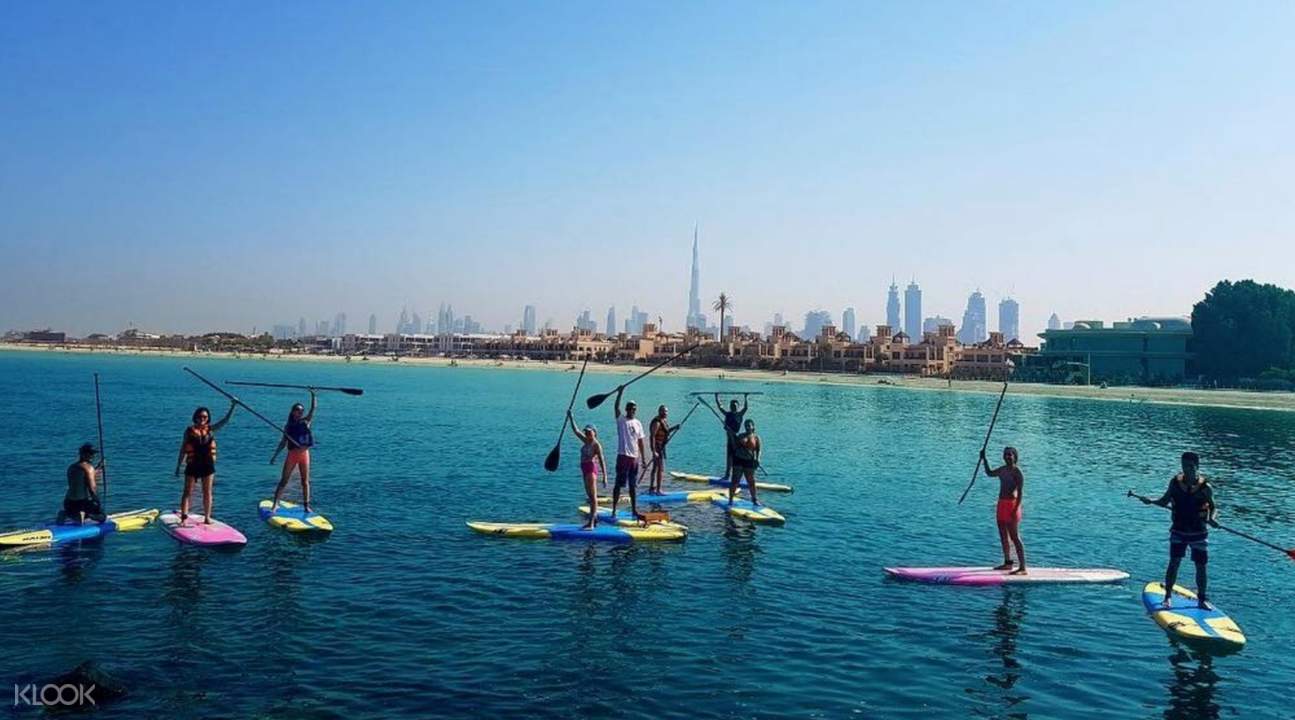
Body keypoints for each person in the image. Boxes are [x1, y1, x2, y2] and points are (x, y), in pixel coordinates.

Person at [1139, 452, 1217, 609]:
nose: (1186, 469)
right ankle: (1167, 597)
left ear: (1197, 466)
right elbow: (1164, 501)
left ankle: (1202, 599)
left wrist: (1212, 518)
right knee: (1174, 563)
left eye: (1190, 466)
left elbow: (1213, 507)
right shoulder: (1175, 483)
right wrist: (1151, 501)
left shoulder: (1205, 488)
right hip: (1179, 530)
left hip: (1198, 532)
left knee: (1201, 566)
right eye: (1184, 466)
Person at [174, 401, 236, 525]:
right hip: (193, 464)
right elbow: (183, 449)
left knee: (207, 492)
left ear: (208, 418)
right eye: (200, 416)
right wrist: (178, 466)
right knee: (187, 492)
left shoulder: (211, 430)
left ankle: (207, 518)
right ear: (195, 417)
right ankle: (183, 519)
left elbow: (225, 421)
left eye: (205, 417)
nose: (202, 419)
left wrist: (233, 406)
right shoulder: (189, 431)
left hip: (207, 465)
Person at [980, 446, 1027, 575]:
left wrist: (1016, 509)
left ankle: (1023, 568)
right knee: (1003, 535)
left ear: (1015, 457)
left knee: (1014, 537)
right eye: (1006, 454)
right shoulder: (1002, 470)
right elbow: (989, 473)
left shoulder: (1017, 472)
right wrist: (984, 459)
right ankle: (1008, 563)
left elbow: (1020, 493)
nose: (1007, 457)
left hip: (1012, 505)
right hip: (1001, 504)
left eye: (1010, 455)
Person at [269, 390, 316, 512]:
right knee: (284, 480)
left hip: (304, 454)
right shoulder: (288, 426)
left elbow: (313, 409)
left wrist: (313, 395)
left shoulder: (306, 422)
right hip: (293, 454)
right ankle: (275, 504)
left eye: (302, 411)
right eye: (298, 410)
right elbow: (283, 443)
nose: (300, 412)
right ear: (293, 412)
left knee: (305, 482)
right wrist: (275, 456)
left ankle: (306, 506)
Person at [610, 388, 647, 523]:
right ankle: (614, 510)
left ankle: (634, 510)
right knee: (619, 485)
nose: (632, 410)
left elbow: (641, 442)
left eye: (634, 409)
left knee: (632, 486)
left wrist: (643, 459)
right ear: (626, 409)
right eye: (630, 408)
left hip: (634, 458)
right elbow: (616, 407)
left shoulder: (638, 423)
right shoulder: (621, 420)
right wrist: (620, 393)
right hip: (623, 456)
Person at [568, 412, 608, 529]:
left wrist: (605, 476)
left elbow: (602, 460)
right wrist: (571, 418)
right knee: (589, 496)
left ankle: (591, 523)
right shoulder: (585, 441)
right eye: (586, 432)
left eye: (589, 432)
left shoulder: (596, 445)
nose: (587, 433)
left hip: (591, 469)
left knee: (593, 497)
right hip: (584, 468)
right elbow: (576, 431)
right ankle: (593, 520)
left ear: (594, 432)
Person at [60, 443, 105, 524]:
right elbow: (92, 489)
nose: (93, 456)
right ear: (83, 454)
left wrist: (98, 467)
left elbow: (82, 478)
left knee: (74, 508)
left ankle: (67, 514)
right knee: (102, 516)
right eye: (90, 453)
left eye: (93, 454)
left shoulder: (72, 467)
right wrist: (98, 502)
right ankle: (85, 515)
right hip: (81, 504)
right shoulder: (89, 468)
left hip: (68, 504)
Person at [728, 419, 762, 507]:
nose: (747, 427)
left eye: (749, 425)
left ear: (753, 427)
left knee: (751, 481)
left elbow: (758, 450)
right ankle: (731, 499)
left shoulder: (756, 437)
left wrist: (758, 459)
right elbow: (734, 447)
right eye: (746, 425)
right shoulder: (740, 436)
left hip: (749, 461)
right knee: (735, 481)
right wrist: (731, 435)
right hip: (738, 460)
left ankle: (754, 499)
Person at [714, 394, 749, 479]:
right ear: (730, 407)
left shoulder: (740, 414)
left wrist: (745, 398)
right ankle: (727, 475)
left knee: (738, 457)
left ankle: (739, 475)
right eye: (732, 406)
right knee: (729, 457)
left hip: (737, 439)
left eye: (735, 406)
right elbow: (720, 407)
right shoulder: (728, 414)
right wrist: (716, 397)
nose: (734, 407)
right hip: (729, 438)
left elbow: (745, 408)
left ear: (738, 407)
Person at [647, 405, 674, 495]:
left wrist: (675, 427)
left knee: (655, 467)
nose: (665, 413)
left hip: (661, 447)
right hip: (657, 447)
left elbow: (666, 431)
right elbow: (652, 436)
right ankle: (658, 490)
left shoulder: (663, 421)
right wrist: (653, 451)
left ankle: (652, 488)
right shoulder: (657, 422)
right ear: (659, 411)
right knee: (660, 469)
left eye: (666, 411)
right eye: (664, 411)